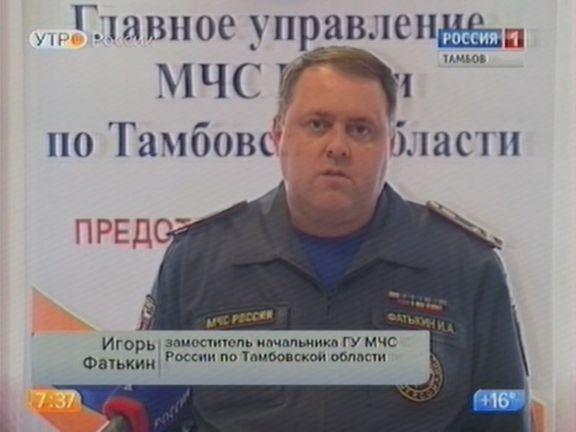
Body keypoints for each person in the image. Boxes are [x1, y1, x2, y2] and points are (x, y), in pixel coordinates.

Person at [142, 46, 530, 431]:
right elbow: (152, 409)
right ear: (278, 136)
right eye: (317, 125)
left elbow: (501, 414)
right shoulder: (198, 261)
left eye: (360, 130)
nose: (337, 147)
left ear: (390, 145)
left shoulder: (465, 265)